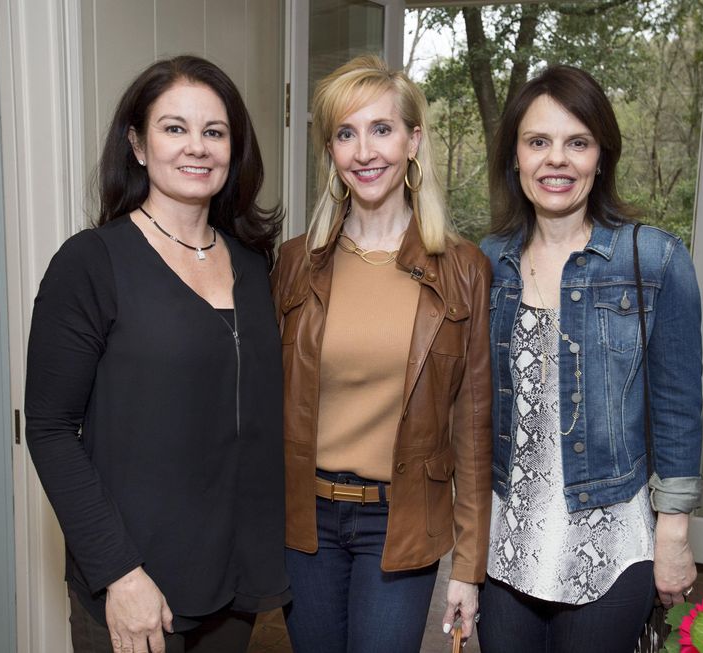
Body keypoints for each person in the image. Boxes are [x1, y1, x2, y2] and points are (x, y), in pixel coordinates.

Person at [25, 55, 289, 653]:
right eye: (174, 128)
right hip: (138, 584)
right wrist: (119, 573)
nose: (196, 147)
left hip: (234, 582)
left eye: (214, 132)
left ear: (234, 149)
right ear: (138, 146)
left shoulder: (254, 266)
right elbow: (48, 428)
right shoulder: (90, 263)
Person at [477, 65, 703, 653]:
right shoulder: (486, 264)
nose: (557, 160)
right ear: (516, 158)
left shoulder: (653, 260)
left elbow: (678, 407)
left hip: (610, 538)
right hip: (508, 537)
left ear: (601, 156)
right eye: (538, 142)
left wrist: (674, 533)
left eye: (577, 142)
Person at [271, 55, 492, 652]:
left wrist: (469, 568)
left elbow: (472, 432)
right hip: (304, 522)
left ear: (413, 140)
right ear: (331, 152)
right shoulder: (295, 262)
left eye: (382, 129)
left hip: (400, 522)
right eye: (346, 133)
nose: (364, 151)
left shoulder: (463, 269)